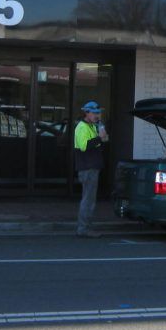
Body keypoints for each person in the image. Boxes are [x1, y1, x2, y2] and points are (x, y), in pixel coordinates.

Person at [73, 101, 107, 238]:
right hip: (88, 168)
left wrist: (101, 132)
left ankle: (85, 228)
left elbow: (103, 140)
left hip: (92, 167)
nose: (97, 115)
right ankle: (83, 229)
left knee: (89, 199)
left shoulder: (92, 126)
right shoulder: (82, 127)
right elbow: (84, 146)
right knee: (88, 200)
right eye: (94, 113)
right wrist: (99, 138)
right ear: (86, 113)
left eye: (98, 113)